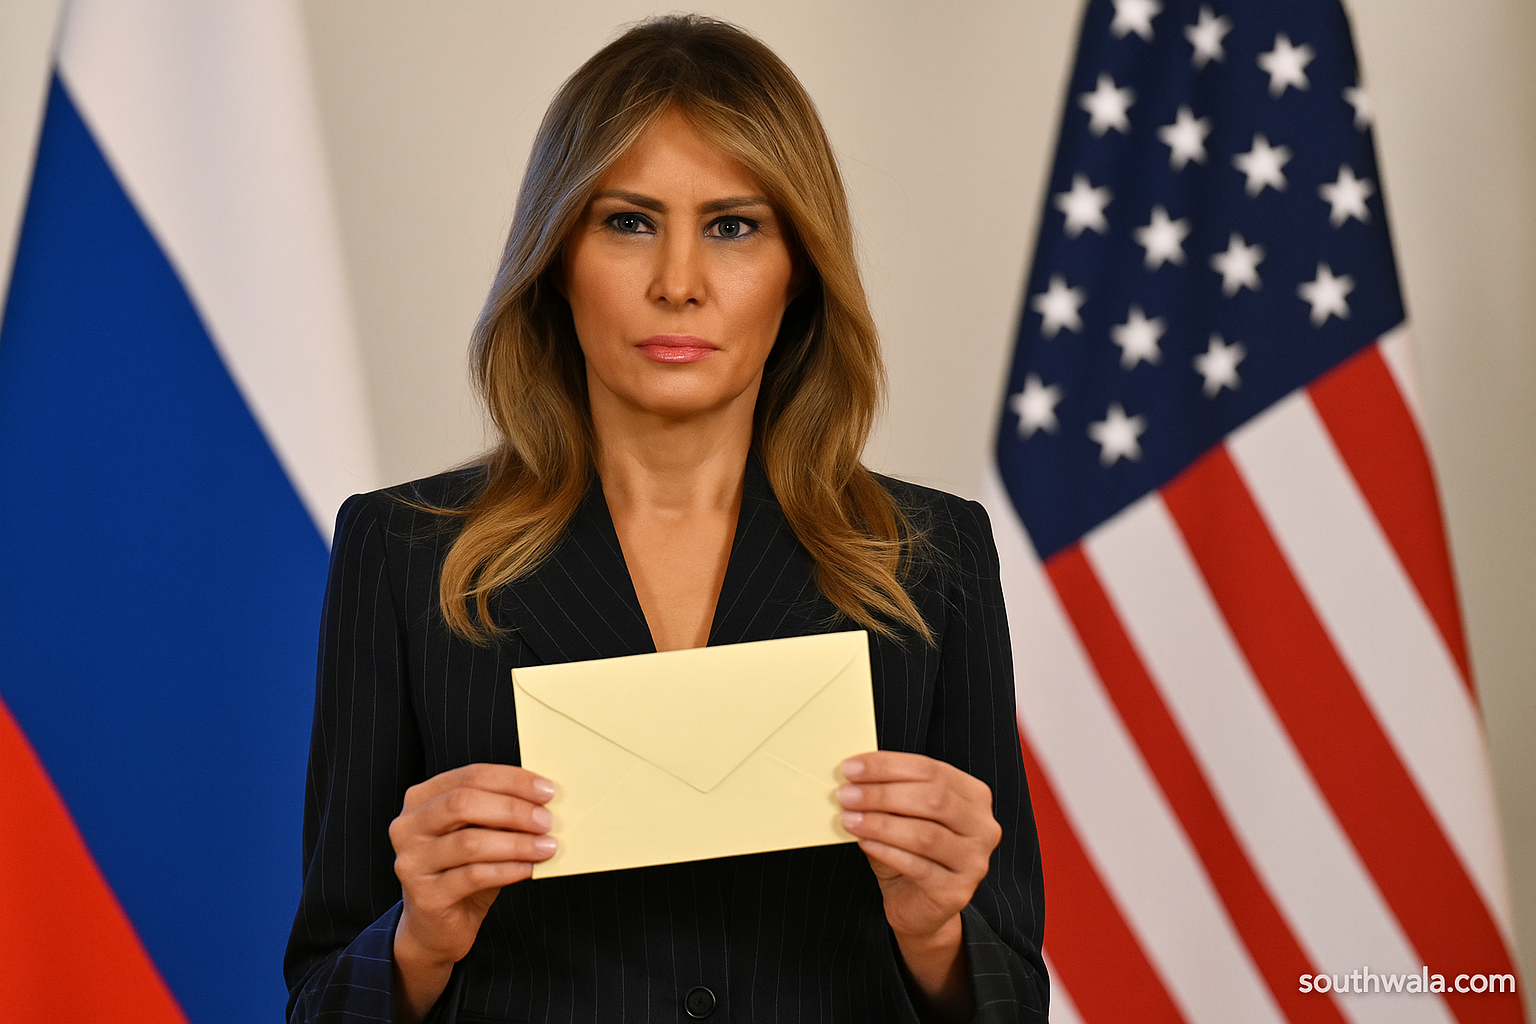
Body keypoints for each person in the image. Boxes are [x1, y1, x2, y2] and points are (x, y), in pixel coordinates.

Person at [284, 14, 1047, 1024]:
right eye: (629, 222)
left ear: (800, 266)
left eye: (733, 226)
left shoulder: (933, 558)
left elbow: (1013, 995)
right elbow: (321, 999)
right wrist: (419, 941)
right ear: (557, 256)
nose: (678, 284)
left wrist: (936, 934)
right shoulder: (404, 553)